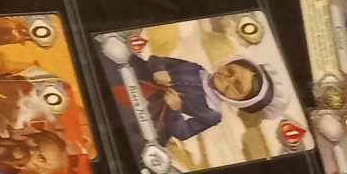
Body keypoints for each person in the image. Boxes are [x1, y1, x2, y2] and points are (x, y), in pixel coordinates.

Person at [116, 52, 273, 144]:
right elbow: (157, 59)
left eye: (237, 86)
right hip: (132, 77)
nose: (228, 79)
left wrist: (175, 110)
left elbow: (183, 132)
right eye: (230, 71)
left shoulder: (212, 114)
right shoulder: (196, 69)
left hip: (148, 114)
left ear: (240, 101)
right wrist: (159, 69)